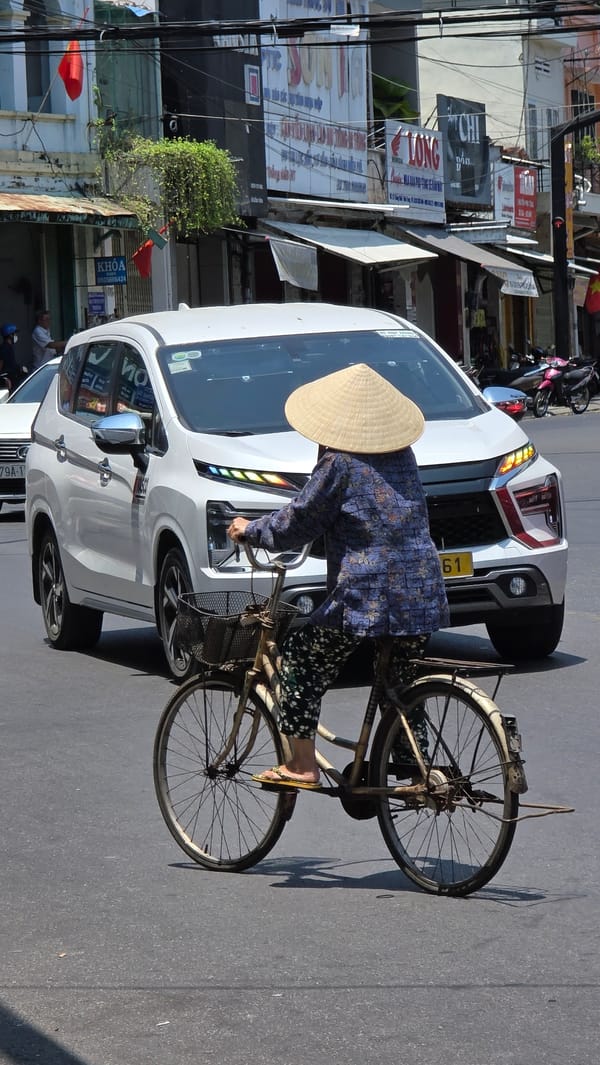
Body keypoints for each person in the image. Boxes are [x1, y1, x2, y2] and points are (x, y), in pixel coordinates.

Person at [227, 363, 449, 789]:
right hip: (422, 587)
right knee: (400, 686)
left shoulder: (338, 463)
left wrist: (249, 529)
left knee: (298, 667)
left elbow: (299, 521)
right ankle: (416, 772)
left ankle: (301, 767)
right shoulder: (402, 456)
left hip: (368, 593)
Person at [0, 324, 21, 391]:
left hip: (13, 380)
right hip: (7, 384)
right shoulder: (4, 349)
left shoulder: (9, 347)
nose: (16, 336)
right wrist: (3, 379)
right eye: (15, 334)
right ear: (10, 335)